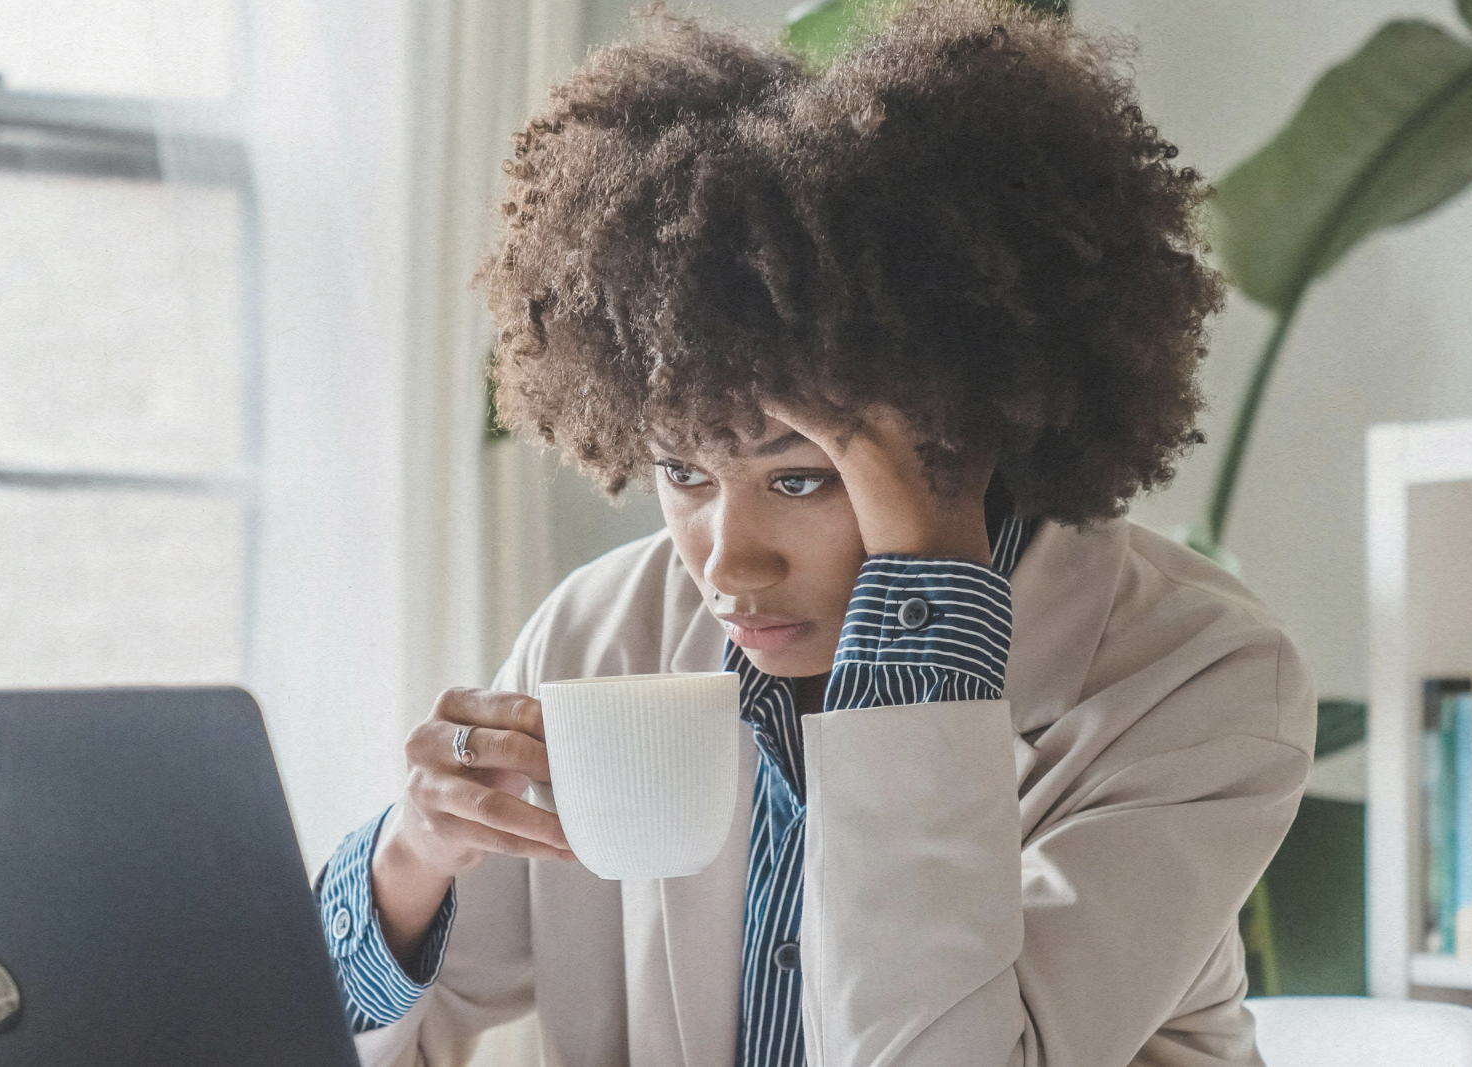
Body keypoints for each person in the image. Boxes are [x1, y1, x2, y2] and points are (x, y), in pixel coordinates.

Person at [313, 2, 1316, 1064]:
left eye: (801, 477)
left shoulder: (1199, 677)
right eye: (684, 471)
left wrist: (924, 626)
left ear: (970, 437)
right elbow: (307, 1035)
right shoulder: (605, 636)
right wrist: (410, 864)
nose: (725, 561)